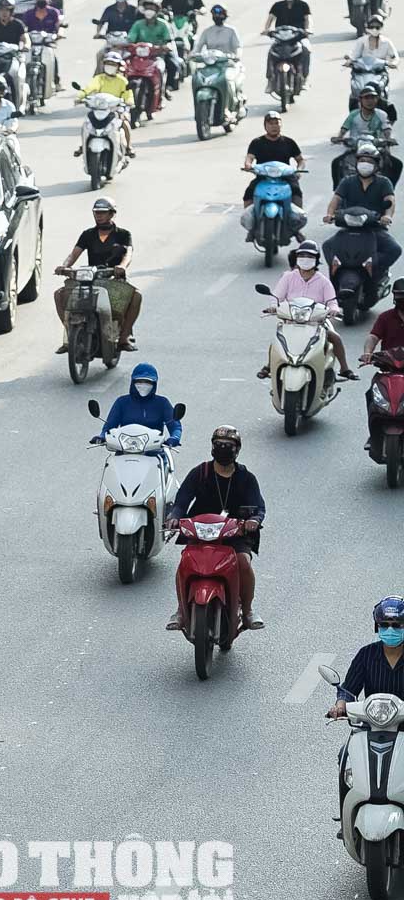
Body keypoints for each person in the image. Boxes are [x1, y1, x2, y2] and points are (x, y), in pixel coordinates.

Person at [166, 426, 265, 633]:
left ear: (237, 450)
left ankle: (247, 611)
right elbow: (181, 501)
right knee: (185, 563)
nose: (223, 449)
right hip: (200, 532)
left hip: (235, 533)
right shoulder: (199, 473)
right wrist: (174, 517)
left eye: (228, 446)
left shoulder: (246, 478)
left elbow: (259, 507)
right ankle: (181, 611)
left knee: (243, 562)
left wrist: (253, 520)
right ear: (212, 447)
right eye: (219, 445)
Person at [54, 197, 141, 353]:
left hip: (112, 279)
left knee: (136, 296)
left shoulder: (123, 234)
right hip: (90, 279)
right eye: (96, 213)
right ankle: (70, 336)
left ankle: (124, 337)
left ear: (112, 214)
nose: (99, 216)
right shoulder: (87, 234)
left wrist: (121, 266)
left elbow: (128, 253)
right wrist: (65, 266)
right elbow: (74, 254)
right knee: (59, 295)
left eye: (103, 212)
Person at [259, 243, 356, 381]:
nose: (305, 259)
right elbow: (276, 296)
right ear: (297, 259)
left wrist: (334, 310)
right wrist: (273, 307)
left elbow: (332, 301)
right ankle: (268, 366)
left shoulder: (323, 281)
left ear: (316, 260)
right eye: (302, 256)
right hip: (291, 321)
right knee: (277, 339)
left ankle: (345, 368)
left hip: (316, 323)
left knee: (335, 338)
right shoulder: (288, 277)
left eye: (310, 256)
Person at [323, 148, 401, 294]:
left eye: (369, 161)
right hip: (349, 227)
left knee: (394, 249)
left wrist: (388, 216)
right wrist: (329, 214)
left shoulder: (384, 182)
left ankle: (375, 274)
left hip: (374, 229)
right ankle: (335, 279)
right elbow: (336, 199)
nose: (365, 164)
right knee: (327, 246)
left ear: (377, 165)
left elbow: (390, 200)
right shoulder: (347, 181)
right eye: (362, 160)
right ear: (356, 163)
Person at [326, 597, 404, 720]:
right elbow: (348, 690)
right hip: (372, 724)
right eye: (384, 625)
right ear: (377, 626)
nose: (390, 630)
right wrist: (340, 706)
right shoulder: (366, 654)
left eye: (396, 625)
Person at [94, 362, 181, 446]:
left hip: (155, 451)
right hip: (124, 451)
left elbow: (175, 426)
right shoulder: (122, 402)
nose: (143, 385)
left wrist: (175, 437)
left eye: (148, 382)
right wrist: (102, 436)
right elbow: (109, 426)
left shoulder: (162, 403)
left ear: (154, 384)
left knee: (167, 461)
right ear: (132, 382)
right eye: (139, 381)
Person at [75, 55, 135, 159]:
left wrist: (128, 102)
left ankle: (129, 147)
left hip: (117, 109)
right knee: (87, 124)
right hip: (100, 109)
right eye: (108, 64)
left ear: (118, 66)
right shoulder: (99, 79)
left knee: (125, 122)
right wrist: (80, 96)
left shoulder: (122, 81)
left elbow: (128, 94)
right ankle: (83, 145)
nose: (110, 67)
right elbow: (88, 88)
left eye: (113, 64)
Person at [243, 111, 305, 208]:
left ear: (281, 125)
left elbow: (300, 159)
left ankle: (297, 218)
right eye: (271, 124)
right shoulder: (257, 142)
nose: (274, 126)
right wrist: (248, 164)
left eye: (277, 123)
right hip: (263, 176)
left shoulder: (289, 142)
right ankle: (250, 218)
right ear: (265, 125)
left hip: (285, 177)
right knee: (249, 192)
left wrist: (299, 171)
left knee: (296, 191)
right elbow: (250, 157)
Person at [263, 0, 312, 93]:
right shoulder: (277, 6)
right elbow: (270, 19)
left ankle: (304, 78)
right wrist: (266, 30)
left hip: (298, 36)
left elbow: (308, 19)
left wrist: (307, 30)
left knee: (306, 49)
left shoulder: (303, 5)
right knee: (271, 53)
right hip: (280, 37)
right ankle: (270, 81)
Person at [127, 0, 179, 92]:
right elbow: (130, 39)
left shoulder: (163, 25)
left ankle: (164, 90)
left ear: (157, 10)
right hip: (139, 55)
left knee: (170, 65)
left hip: (157, 55)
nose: (149, 11)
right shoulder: (138, 24)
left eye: (152, 8)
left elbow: (169, 41)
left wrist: (165, 47)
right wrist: (127, 44)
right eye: (147, 8)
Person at [360, 278, 404, 363]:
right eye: (400, 296)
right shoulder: (385, 317)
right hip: (389, 365)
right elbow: (373, 337)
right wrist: (367, 353)